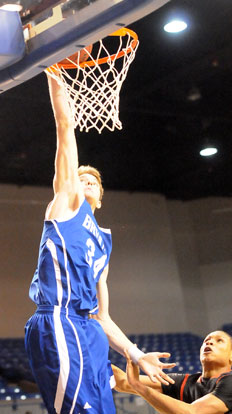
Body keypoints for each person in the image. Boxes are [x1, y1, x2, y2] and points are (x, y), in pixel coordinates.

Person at [24, 72, 176, 414]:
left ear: (102, 198)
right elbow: (65, 127)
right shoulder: (65, 205)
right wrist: (54, 72)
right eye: (81, 177)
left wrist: (135, 354)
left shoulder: (104, 245)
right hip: (59, 322)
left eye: (93, 180)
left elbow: (102, 317)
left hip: (89, 333)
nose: (86, 180)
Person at [113, 330, 232, 414]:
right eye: (206, 340)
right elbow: (123, 382)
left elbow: (193, 412)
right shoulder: (184, 382)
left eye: (219, 341)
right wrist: (95, 355)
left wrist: (139, 387)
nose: (209, 342)